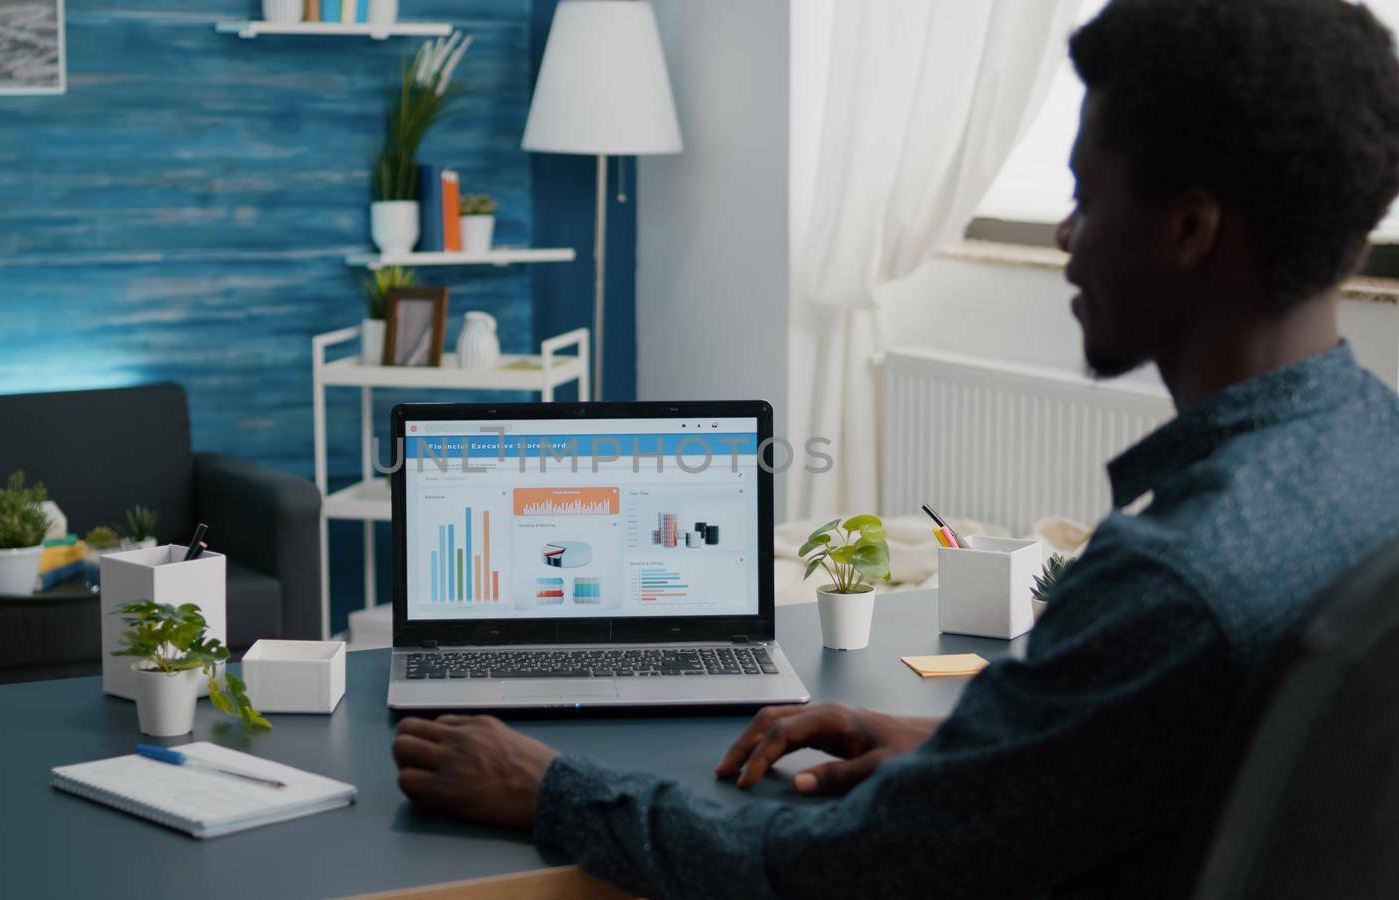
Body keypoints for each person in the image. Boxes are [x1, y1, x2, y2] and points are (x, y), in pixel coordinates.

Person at [389, 1, 1399, 896]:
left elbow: (813, 874)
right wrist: (958, 749)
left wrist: (550, 787)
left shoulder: (1170, 582)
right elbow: (1224, 761)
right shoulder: (1375, 454)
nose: (1064, 239)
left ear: (1189, 229)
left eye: (1085, 198)